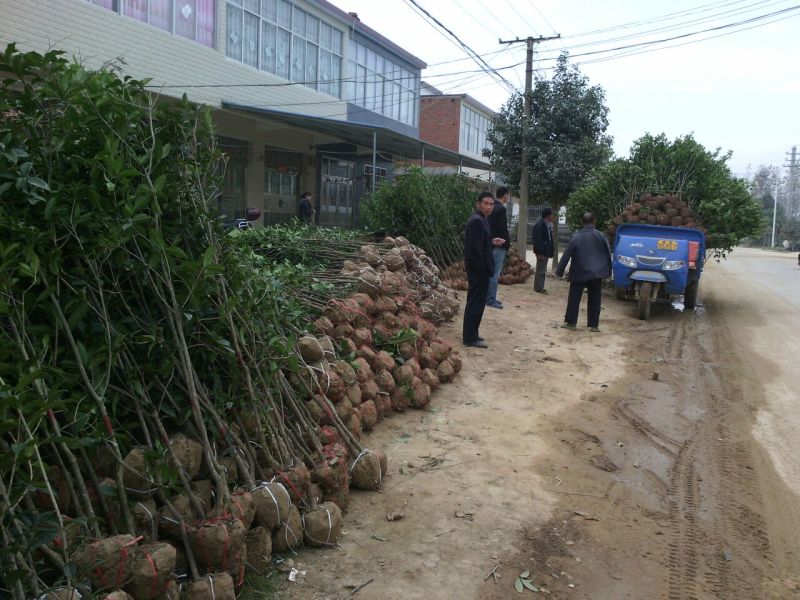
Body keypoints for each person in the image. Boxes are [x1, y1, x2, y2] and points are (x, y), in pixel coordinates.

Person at [554, 212, 612, 332]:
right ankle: (594, 325)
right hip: (597, 273)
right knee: (595, 298)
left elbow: (566, 254)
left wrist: (559, 271)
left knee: (574, 298)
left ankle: (571, 323)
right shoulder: (601, 236)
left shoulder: (577, 236)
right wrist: (608, 272)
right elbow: (608, 253)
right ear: (594, 221)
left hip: (579, 271)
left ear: (582, 222)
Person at [463, 191, 500, 348]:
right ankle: (470, 337)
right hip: (478, 271)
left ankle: (473, 334)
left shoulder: (482, 219)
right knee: (475, 303)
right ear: (478, 204)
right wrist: (483, 268)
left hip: (481, 270)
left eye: (491, 204)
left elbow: (481, 243)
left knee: (478, 303)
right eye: (486, 203)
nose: (489, 207)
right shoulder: (476, 221)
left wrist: (491, 242)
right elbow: (474, 249)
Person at [485, 186, 511, 309]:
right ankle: (491, 299)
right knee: (494, 273)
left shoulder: (492, 208)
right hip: (499, 244)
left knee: (490, 271)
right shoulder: (501, 209)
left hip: (490, 243)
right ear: (505, 195)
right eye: (508, 195)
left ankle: (488, 297)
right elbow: (502, 229)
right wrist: (505, 242)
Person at [531, 206, 554, 294]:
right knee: (541, 270)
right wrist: (539, 253)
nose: (553, 216)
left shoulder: (547, 224)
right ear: (548, 215)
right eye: (551, 214)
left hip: (545, 251)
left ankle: (540, 286)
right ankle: (538, 288)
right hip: (542, 252)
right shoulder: (540, 225)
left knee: (542, 269)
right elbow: (537, 240)